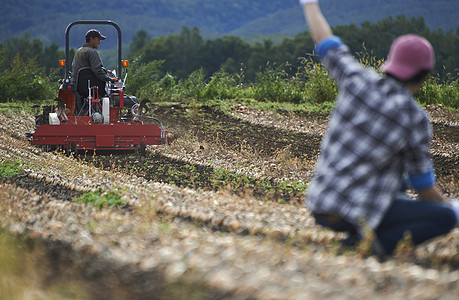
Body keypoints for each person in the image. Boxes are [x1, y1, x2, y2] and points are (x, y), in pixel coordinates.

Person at [299, 0, 458, 257]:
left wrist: (309, 4)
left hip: (321, 203)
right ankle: (369, 245)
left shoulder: (356, 79)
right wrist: (451, 211)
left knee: (397, 179)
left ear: (390, 62)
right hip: (356, 211)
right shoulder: (415, 118)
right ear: (423, 76)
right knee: (443, 217)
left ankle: (360, 235)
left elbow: (325, 42)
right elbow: (424, 187)